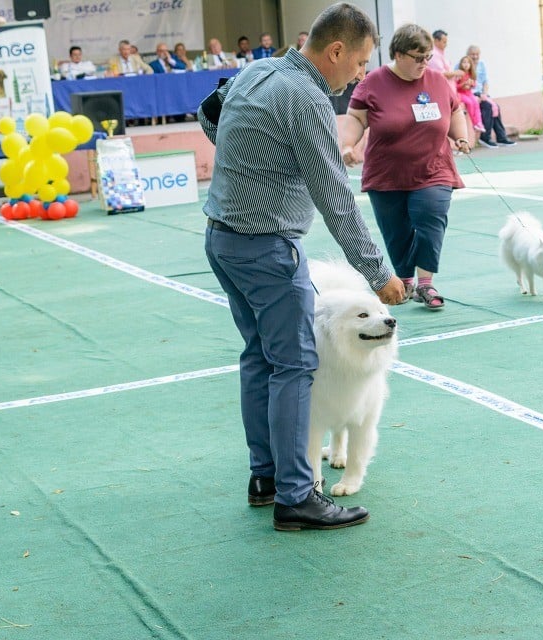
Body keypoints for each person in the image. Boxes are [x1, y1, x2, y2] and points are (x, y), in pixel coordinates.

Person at [197, 2, 405, 531]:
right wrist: (378, 273)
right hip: (267, 248)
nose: (361, 75)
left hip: (221, 238)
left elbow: (209, 116)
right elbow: (335, 196)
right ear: (335, 51)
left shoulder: (258, 70)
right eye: (360, 64)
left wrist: (253, 159)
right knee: (295, 366)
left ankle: (264, 477)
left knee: (259, 357)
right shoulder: (307, 96)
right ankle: (296, 496)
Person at [341, 22, 468, 311]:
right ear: (398, 54)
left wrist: (460, 137)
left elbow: (454, 109)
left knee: (430, 215)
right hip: (387, 174)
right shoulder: (372, 83)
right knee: (396, 230)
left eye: (427, 57)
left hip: (434, 168)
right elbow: (357, 118)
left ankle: (425, 283)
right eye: (417, 57)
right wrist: (349, 146)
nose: (424, 63)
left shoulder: (437, 80)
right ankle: (405, 280)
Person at [466, 46, 516, 148]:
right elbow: (461, 83)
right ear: (468, 55)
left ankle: (501, 137)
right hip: (471, 94)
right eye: (472, 54)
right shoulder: (464, 64)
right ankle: (485, 137)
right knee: (488, 107)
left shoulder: (481, 64)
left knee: (496, 107)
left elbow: (485, 82)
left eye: (477, 54)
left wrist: (484, 93)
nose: (475, 57)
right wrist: (475, 96)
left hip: (482, 93)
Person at [454, 54, 483, 143]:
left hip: (469, 93)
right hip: (461, 94)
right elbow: (455, 86)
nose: (466, 64)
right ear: (461, 64)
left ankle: (479, 123)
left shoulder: (471, 74)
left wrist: (471, 83)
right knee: (470, 103)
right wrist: (463, 84)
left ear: (470, 65)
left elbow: (474, 85)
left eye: (468, 63)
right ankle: (474, 124)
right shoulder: (459, 73)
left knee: (476, 103)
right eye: (464, 62)